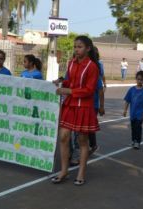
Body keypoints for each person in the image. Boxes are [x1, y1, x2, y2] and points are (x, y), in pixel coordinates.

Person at [52, 35, 99, 186]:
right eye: (75, 47)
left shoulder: (92, 66)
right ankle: (64, 171)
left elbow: (89, 90)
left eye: (80, 47)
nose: (76, 50)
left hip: (84, 107)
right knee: (63, 137)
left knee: (82, 140)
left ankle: (81, 173)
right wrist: (61, 82)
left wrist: (68, 91)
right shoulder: (71, 63)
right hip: (70, 105)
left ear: (88, 49)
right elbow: (70, 81)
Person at [123, 71, 143, 149]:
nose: (139, 81)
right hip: (133, 113)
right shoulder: (131, 90)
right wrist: (125, 110)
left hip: (140, 114)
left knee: (138, 127)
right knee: (133, 127)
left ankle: (137, 142)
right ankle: (133, 140)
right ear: (136, 79)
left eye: (141, 80)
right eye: (138, 79)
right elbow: (127, 101)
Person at [89, 46, 105, 155]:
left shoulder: (96, 66)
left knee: (89, 126)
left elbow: (100, 89)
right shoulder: (77, 64)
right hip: (80, 103)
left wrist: (101, 106)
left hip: (92, 103)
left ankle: (92, 145)